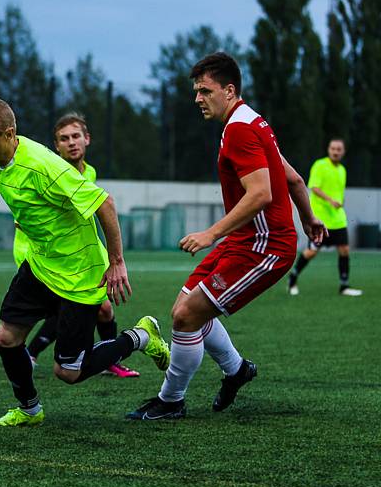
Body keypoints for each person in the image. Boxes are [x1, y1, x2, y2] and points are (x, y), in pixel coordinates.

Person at [0, 96, 171, 427]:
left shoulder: (44, 166)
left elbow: (105, 203)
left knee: (69, 372)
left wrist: (116, 262)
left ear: (9, 134)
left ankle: (140, 337)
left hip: (78, 275)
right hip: (40, 267)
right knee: (5, 340)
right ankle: (29, 410)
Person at [127, 52, 326, 420]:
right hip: (245, 241)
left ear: (229, 90)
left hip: (266, 248)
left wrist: (210, 234)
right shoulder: (252, 121)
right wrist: (310, 218)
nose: (197, 99)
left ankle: (171, 401)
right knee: (184, 309)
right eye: (196, 91)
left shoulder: (239, 129)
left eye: (205, 91)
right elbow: (293, 179)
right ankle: (237, 371)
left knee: (186, 317)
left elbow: (261, 193)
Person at [23, 113, 138, 378]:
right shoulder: (50, 172)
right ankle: (32, 353)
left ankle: (106, 359)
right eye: (64, 139)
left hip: (79, 255)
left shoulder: (90, 172)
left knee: (103, 308)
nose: (72, 143)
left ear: (87, 139)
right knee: (66, 307)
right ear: (56, 146)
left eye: (76, 136)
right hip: (46, 254)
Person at [287, 138, 362, 296]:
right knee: (311, 252)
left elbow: (339, 194)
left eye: (339, 149)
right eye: (333, 148)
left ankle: (344, 286)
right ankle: (293, 277)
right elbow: (314, 187)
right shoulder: (320, 165)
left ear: (343, 152)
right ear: (329, 149)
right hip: (320, 219)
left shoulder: (342, 169)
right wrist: (330, 200)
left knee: (344, 250)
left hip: (338, 219)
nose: (335, 151)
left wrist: (339, 202)